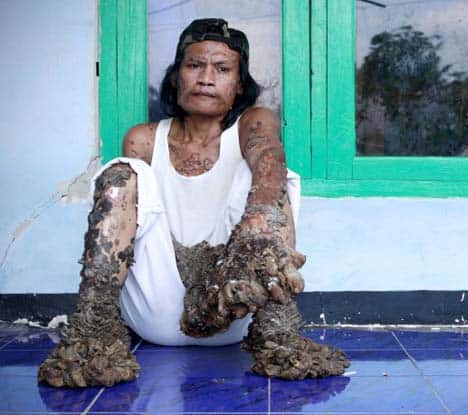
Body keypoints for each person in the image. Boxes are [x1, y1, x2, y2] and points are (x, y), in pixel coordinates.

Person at [38, 18, 348, 388]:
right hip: (156, 313)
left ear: (238, 85)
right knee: (122, 172)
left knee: (271, 173)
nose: (206, 78)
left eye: (222, 68)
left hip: (235, 306)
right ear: (176, 77)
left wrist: (257, 228)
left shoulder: (254, 122)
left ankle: (277, 335)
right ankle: (93, 331)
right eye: (194, 65)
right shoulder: (145, 139)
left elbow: (267, 155)